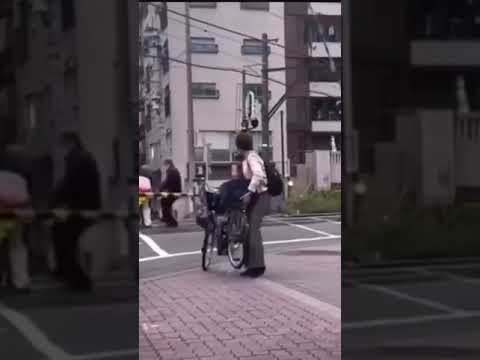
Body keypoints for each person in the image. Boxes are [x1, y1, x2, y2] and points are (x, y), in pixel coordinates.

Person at [50, 132, 101, 290]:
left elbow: (70, 183)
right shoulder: (84, 157)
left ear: (69, 143)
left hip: (81, 207)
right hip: (87, 206)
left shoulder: (76, 158)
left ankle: (76, 278)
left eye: (62, 145)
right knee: (66, 239)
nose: (60, 150)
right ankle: (69, 274)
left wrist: (55, 199)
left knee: (63, 239)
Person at [235, 131, 269, 278]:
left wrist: (249, 192)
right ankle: (252, 265)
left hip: (260, 197)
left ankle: (257, 267)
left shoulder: (251, 157)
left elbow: (258, 175)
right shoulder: (248, 157)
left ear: (239, 145)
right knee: (251, 231)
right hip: (258, 197)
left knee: (254, 231)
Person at [159, 159, 181, 227]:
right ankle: (167, 219)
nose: (164, 166)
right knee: (166, 204)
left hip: (173, 192)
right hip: (175, 191)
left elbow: (168, 182)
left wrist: (161, 188)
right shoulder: (174, 170)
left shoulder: (171, 171)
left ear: (168, 164)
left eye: (164, 164)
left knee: (165, 204)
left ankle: (171, 221)